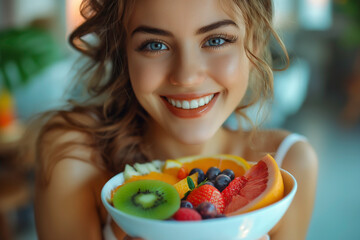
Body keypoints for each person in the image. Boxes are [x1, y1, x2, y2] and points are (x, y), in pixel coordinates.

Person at [31, 0, 318, 239]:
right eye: (155, 45)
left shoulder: (288, 164)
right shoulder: (72, 156)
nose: (187, 76)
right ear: (124, 53)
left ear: (253, 41)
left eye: (216, 40)